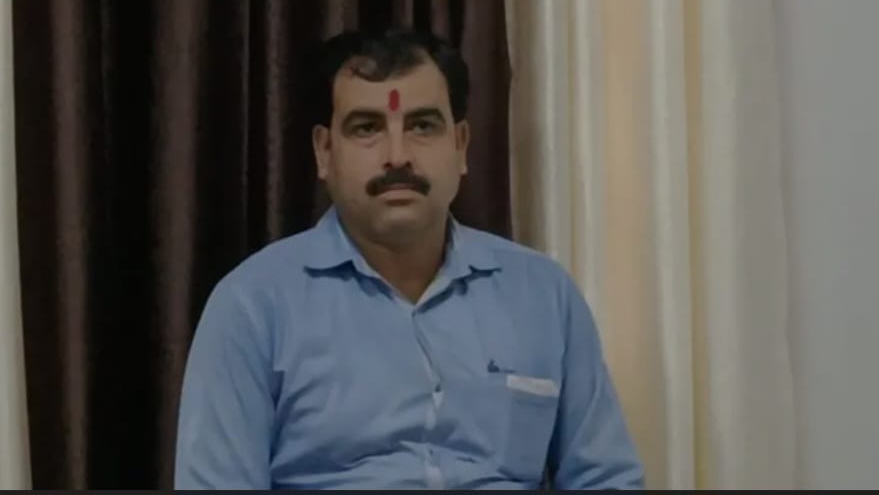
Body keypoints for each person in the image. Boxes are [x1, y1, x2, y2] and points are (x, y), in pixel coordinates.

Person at [174, 28, 644, 490]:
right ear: (324, 152)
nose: (397, 157)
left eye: (422, 126)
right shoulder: (253, 306)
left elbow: (607, 479)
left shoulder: (543, 296)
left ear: (460, 145)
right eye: (367, 128)